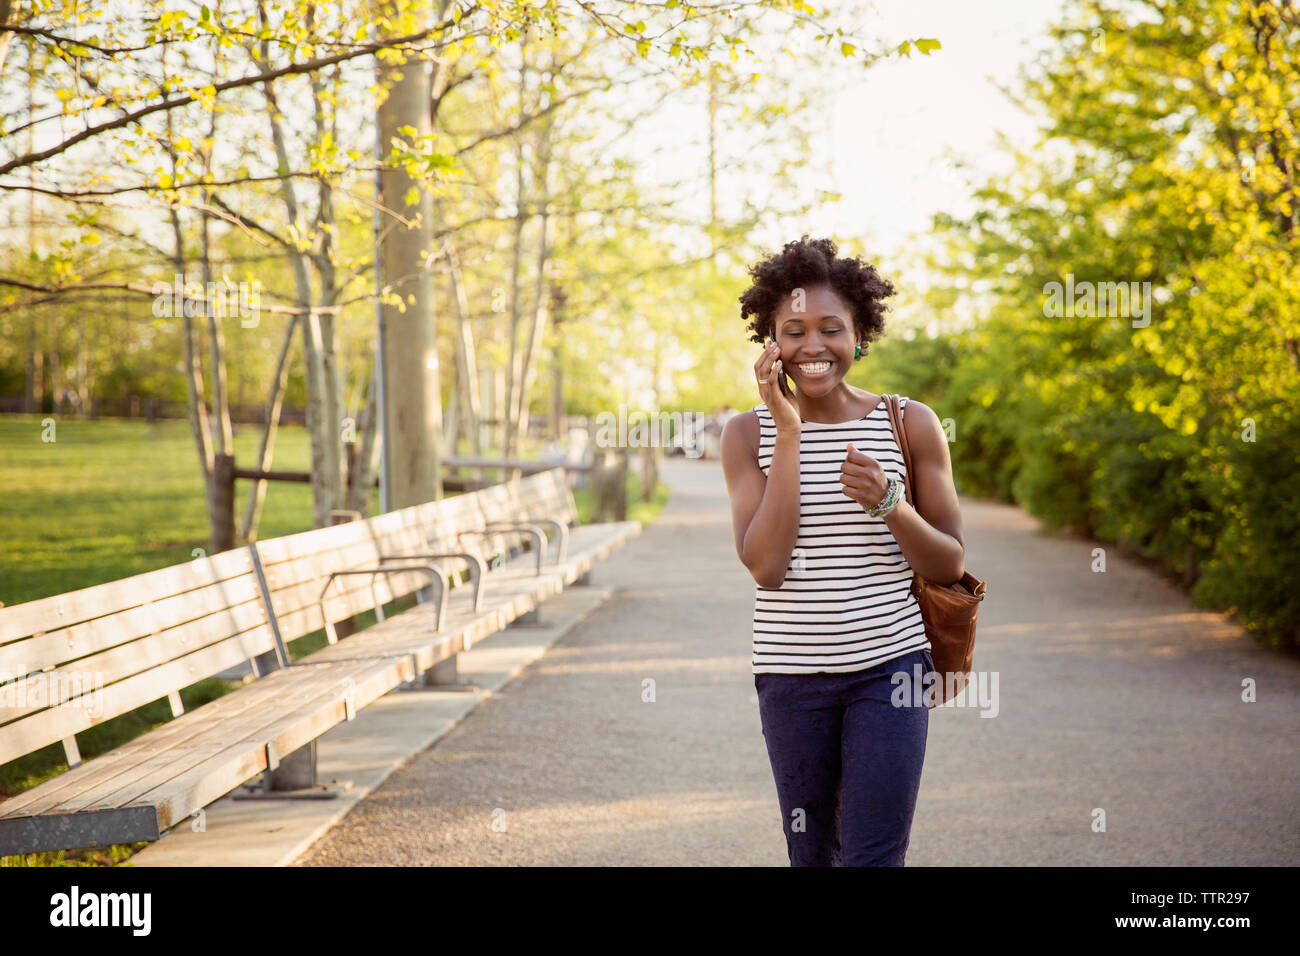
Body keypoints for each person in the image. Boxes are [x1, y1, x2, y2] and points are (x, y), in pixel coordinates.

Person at [720, 235, 967, 866]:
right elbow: (768, 568)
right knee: (811, 854)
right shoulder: (748, 433)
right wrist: (790, 432)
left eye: (831, 328)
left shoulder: (909, 423)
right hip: (790, 676)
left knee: (873, 856)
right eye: (793, 330)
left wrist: (890, 503)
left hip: (892, 670)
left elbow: (948, 564)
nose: (813, 346)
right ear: (770, 341)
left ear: (859, 336)